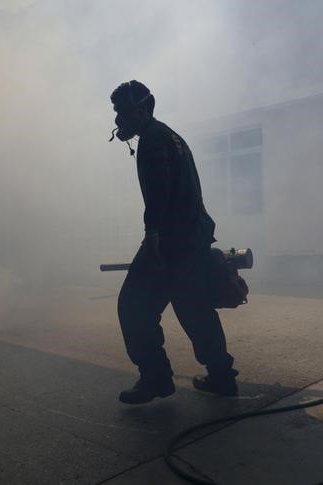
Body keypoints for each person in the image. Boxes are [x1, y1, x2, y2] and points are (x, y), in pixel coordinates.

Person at [109, 80, 238, 404]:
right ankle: (222, 377)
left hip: (170, 240)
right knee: (194, 308)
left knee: (133, 307)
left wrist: (152, 237)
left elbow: (159, 193)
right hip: (191, 236)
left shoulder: (152, 140)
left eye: (121, 112)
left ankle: (155, 378)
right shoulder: (171, 136)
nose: (118, 120)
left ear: (140, 110)